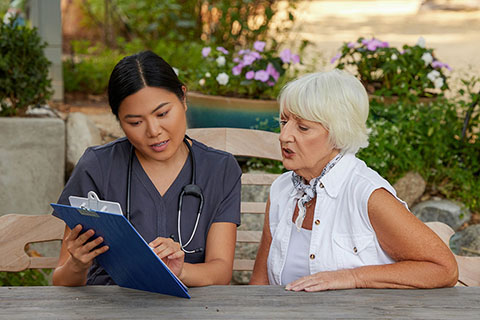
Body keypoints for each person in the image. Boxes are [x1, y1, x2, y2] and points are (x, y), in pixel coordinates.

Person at [249, 69, 458, 291]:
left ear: (339, 132)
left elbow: (444, 269)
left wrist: (353, 277)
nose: (284, 136)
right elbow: (259, 284)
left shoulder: (367, 194)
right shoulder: (282, 190)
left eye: (302, 127)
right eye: (283, 121)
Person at [52, 51, 241, 287]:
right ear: (119, 121)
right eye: (135, 122)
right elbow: (60, 279)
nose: (153, 131)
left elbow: (220, 270)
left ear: (183, 97)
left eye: (162, 113)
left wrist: (180, 272)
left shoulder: (219, 169)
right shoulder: (97, 166)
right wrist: (76, 264)